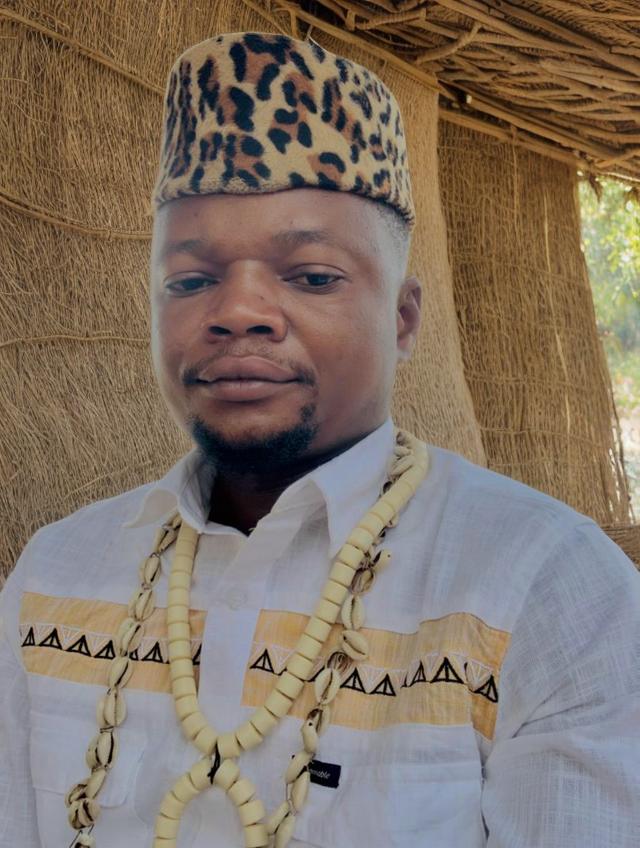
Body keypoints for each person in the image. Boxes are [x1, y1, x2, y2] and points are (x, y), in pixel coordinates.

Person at [0, 31, 638, 848]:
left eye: (312, 277)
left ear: (403, 320)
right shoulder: (55, 573)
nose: (238, 312)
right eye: (190, 281)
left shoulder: (547, 589)